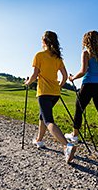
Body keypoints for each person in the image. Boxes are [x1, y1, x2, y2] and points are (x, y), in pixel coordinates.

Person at [25, 30, 76, 163]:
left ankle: (67, 145)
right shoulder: (58, 58)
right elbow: (64, 76)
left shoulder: (39, 55)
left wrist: (27, 82)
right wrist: (59, 86)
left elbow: (35, 75)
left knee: (48, 121)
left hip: (44, 92)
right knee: (42, 116)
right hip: (55, 93)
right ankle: (39, 140)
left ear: (44, 42)